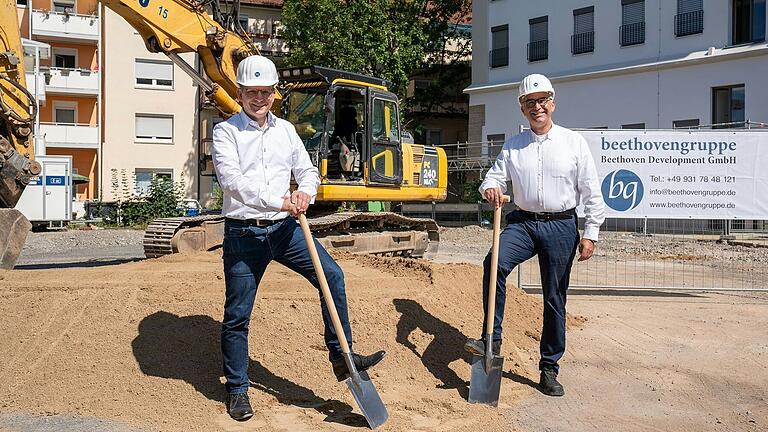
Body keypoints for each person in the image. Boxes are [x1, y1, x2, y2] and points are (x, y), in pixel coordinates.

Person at [212, 55, 386, 422]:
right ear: (240, 92)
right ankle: (238, 390)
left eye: (265, 91)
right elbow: (233, 183)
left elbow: (306, 169)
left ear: (274, 93)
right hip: (244, 234)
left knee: (332, 277)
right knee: (237, 314)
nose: (258, 98)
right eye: (251, 92)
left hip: (285, 229)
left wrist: (306, 191)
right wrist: (280, 199)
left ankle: (342, 356)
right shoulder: (225, 132)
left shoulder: (286, 131)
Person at [464, 73, 605, 397]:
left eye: (542, 101)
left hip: (561, 225)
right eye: (530, 102)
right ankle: (492, 337)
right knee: (494, 262)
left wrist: (591, 232)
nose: (537, 107)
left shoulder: (573, 143)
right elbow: (492, 179)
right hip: (523, 223)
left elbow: (591, 193)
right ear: (522, 108)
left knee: (554, 298)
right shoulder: (514, 146)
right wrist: (492, 189)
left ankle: (549, 368)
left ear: (552, 103)